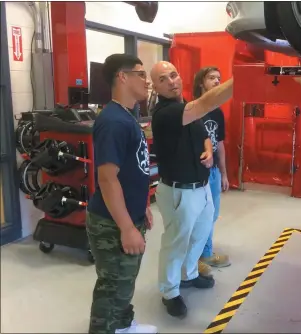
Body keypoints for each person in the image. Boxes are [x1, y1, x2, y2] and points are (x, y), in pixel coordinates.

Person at [150, 61, 233, 318]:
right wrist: (241, 79)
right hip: (179, 192)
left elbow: (205, 134)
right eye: (163, 79)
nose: (171, 81)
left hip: (202, 187)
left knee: (200, 234)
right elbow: (204, 105)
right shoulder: (165, 113)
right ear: (156, 87)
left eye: (173, 75)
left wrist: (208, 151)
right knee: (176, 242)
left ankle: (189, 274)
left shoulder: (184, 107)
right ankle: (170, 291)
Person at [86, 54, 157, 334]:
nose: (147, 80)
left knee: (124, 281)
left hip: (130, 214)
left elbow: (132, 169)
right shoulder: (113, 121)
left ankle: (123, 326)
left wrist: (143, 206)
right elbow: (107, 178)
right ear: (122, 77)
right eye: (141, 74)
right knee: (112, 284)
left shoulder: (127, 116)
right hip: (112, 223)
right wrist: (127, 228)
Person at [192, 67, 231, 276]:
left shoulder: (217, 111)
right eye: (211, 78)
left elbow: (220, 144)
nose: (217, 81)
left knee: (212, 214)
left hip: (213, 171)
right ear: (201, 83)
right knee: (198, 215)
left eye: (219, 78)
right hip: (196, 173)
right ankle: (196, 256)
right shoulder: (191, 110)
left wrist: (223, 173)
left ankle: (205, 252)